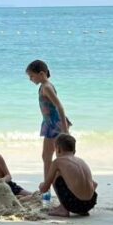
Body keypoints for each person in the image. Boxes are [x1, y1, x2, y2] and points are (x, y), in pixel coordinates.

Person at [26, 60, 70, 195]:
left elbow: (59, 106)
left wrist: (65, 129)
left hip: (55, 126)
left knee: (57, 158)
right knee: (47, 157)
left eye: (32, 76)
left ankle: (51, 191)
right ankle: (48, 190)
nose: (30, 79)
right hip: (49, 124)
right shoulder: (43, 86)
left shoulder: (47, 87)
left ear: (41, 73)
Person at [38, 133, 98, 217]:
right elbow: (94, 184)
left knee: (56, 175)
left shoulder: (58, 162)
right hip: (90, 203)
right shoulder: (81, 161)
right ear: (74, 151)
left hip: (74, 204)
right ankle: (81, 209)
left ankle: (63, 209)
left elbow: (45, 189)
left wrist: (41, 186)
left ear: (58, 149)